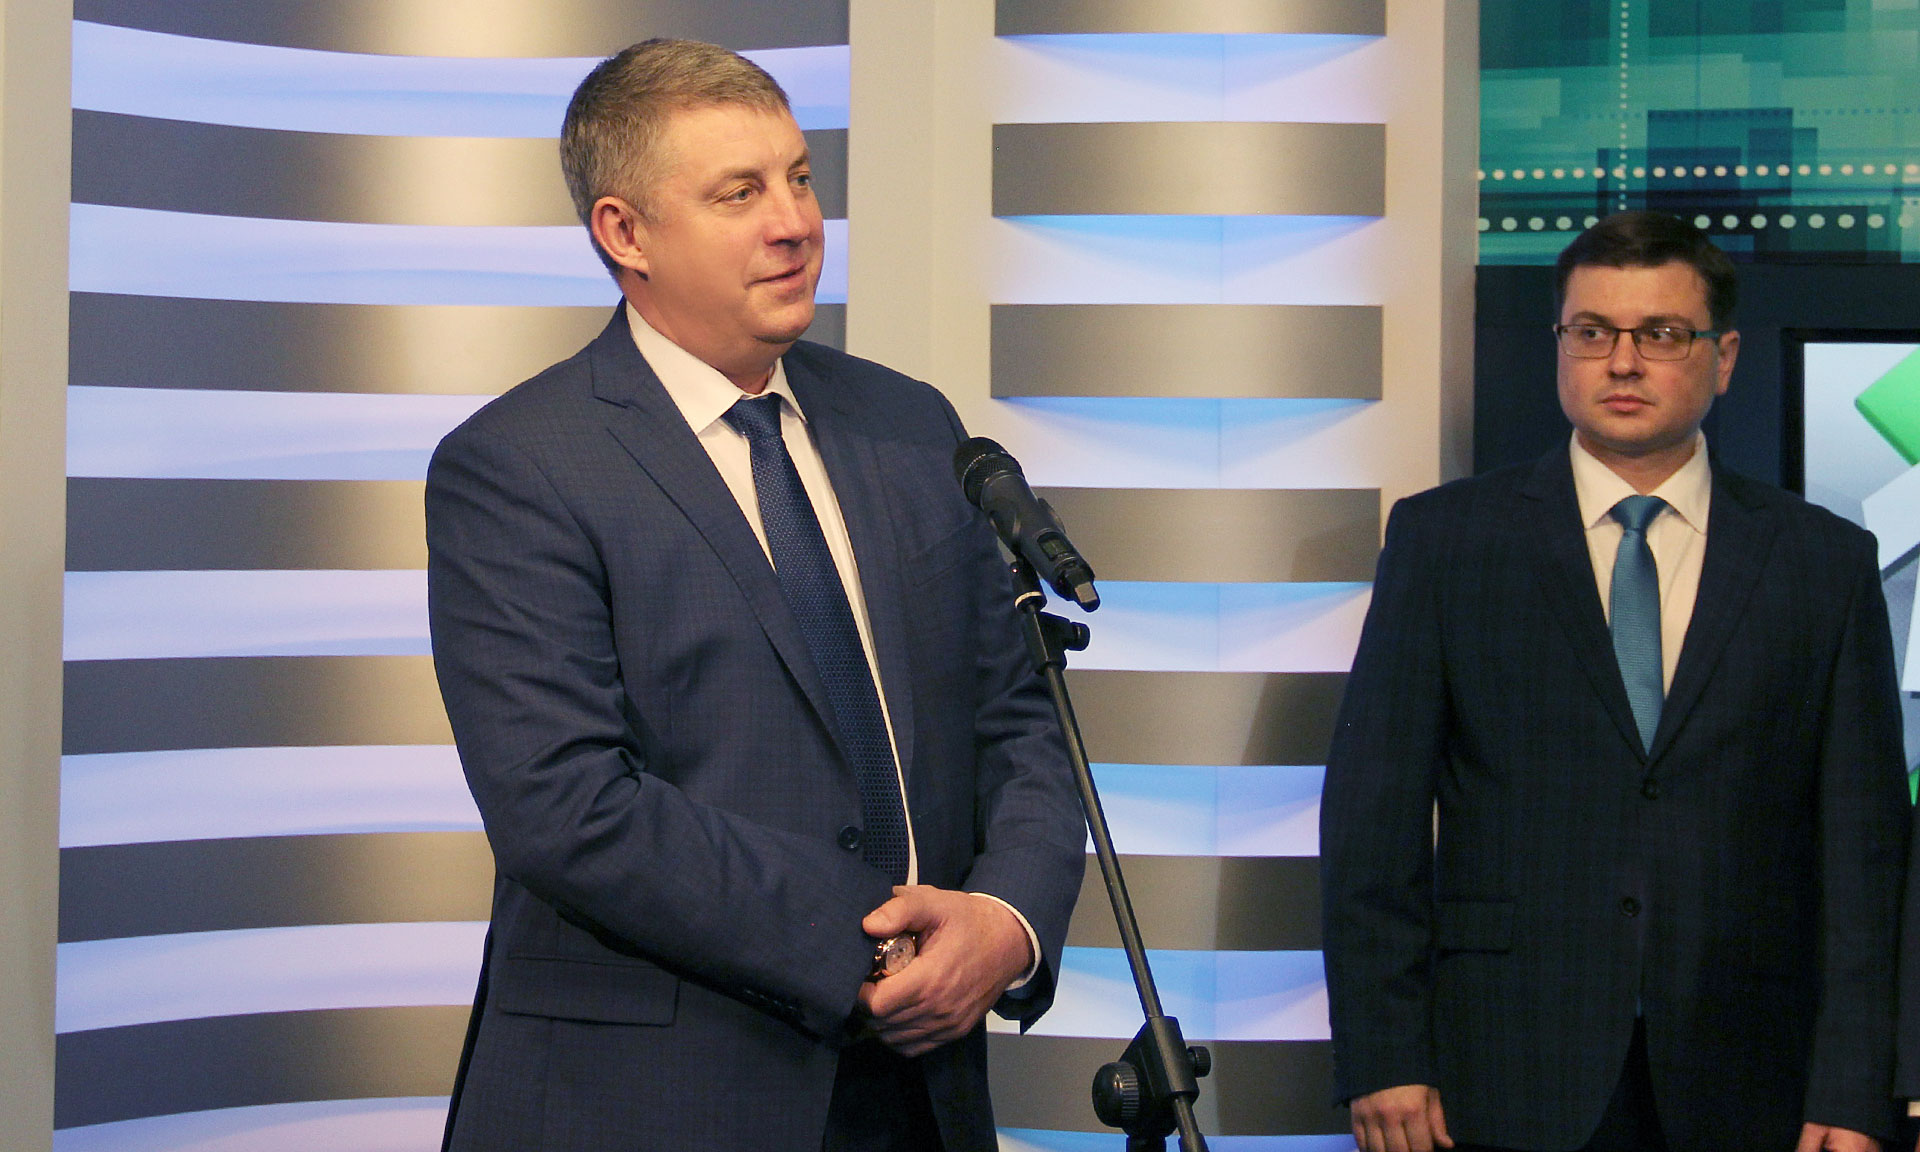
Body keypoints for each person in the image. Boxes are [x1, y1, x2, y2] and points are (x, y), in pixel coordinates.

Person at [425, 39, 1085, 1152]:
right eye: (739, 193)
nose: (795, 223)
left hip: (920, 1093)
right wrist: (871, 940)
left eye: (800, 178)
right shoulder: (518, 465)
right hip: (655, 1097)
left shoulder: (911, 424)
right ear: (625, 233)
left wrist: (1005, 921)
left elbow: (1020, 717)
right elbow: (565, 805)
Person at [1320, 211, 1909, 1152]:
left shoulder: (1823, 563)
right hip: (1498, 1068)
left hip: (1753, 1074)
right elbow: (1371, 821)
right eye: (1592, 332)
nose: (1623, 362)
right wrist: (1384, 1050)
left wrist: (1854, 1087)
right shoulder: (1447, 542)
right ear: (1560, 346)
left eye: (1661, 334)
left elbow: (1864, 855)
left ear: (1723, 357)